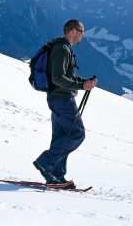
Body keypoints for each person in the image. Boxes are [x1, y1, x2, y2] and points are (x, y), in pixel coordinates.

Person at [33, 19, 97, 187]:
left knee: (63, 136)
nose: (83, 36)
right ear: (73, 31)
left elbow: (64, 76)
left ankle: (55, 175)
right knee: (77, 134)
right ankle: (46, 162)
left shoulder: (62, 47)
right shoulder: (62, 49)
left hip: (57, 98)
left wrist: (83, 82)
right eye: (82, 32)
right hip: (63, 99)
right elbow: (58, 78)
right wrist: (81, 85)